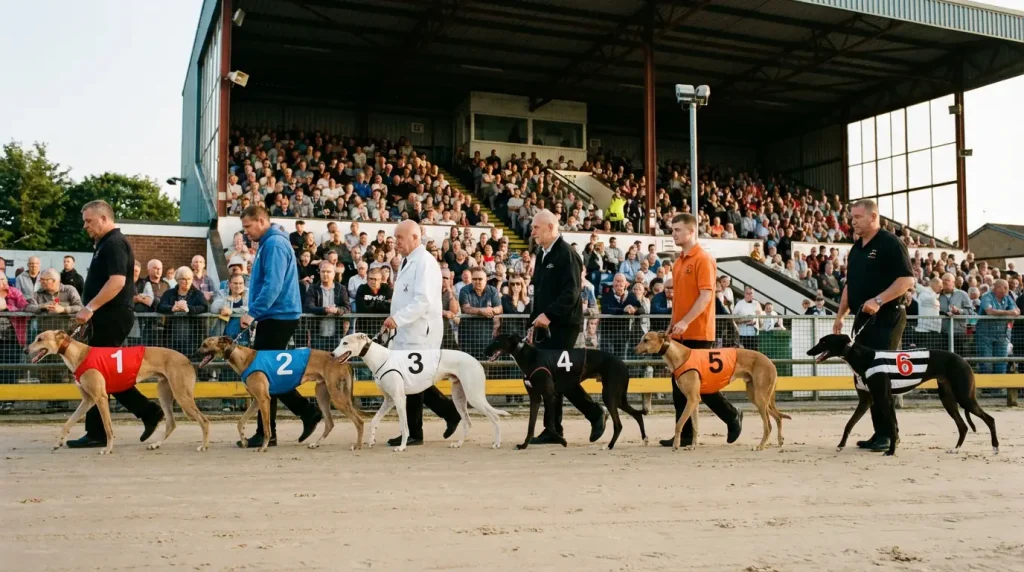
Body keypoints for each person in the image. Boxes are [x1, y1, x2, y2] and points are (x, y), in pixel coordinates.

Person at [67, 200, 164, 448]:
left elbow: (118, 282)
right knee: (103, 374)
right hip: (107, 315)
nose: (85, 225)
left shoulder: (114, 244)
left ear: (103, 218)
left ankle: (100, 432)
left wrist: (90, 307)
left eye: (89, 221)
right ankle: (146, 413)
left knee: (96, 372)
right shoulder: (105, 244)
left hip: (112, 315)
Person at [832, 199, 915, 453]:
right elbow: (850, 286)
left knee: (880, 376)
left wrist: (879, 300)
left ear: (873, 216)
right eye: (852, 217)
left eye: (857, 216)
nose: (852, 221)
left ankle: (890, 435)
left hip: (888, 316)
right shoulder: (856, 249)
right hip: (862, 319)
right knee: (867, 377)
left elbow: (906, 280)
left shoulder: (890, 243)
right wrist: (840, 315)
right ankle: (880, 432)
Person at [237, 205, 322, 448]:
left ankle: (269, 432)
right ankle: (303, 414)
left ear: (261, 220)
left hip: (278, 315)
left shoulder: (273, 245)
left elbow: (272, 286)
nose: (246, 233)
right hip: (277, 315)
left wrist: (253, 312)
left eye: (248, 227)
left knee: (263, 374)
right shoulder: (270, 243)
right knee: (267, 374)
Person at [660, 213, 743, 448]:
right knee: (679, 387)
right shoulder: (679, 262)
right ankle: (683, 435)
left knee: (700, 386)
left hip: (698, 331)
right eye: (672, 230)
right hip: (679, 333)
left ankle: (731, 415)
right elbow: (678, 300)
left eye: (677, 230)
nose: (673, 234)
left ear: (690, 231)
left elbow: (707, 295)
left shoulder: (703, 259)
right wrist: (673, 325)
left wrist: (686, 321)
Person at [528, 209, 606, 445]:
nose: (532, 233)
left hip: (564, 325)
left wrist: (548, 315)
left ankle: (591, 414)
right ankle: (555, 428)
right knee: (553, 378)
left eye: (536, 228)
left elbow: (571, 293)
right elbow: (540, 293)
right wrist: (533, 321)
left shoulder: (567, 254)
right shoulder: (543, 254)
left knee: (559, 378)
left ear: (551, 228)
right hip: (546, 324)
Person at [381, 220, 462, 447]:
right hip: (407, 331)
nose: (396, 242)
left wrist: (397, 319)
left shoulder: (424, 262)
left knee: (412, 381)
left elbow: (423, 300)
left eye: (400, 238)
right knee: (416, 381)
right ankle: (449, 414)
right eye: (395, 237)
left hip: (420, 333)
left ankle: (415, 432)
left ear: (415, 238)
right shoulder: (408, 261)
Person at [975, 279, 1018, 374]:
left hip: (1002, 335)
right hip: (985, 335)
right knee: (986, 363)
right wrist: (1009, 313)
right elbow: (989, 311)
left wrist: (1012, 313)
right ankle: (986, 388)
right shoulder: (986, 297)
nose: (1007, 290)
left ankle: (999, 388)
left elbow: (1017, 310)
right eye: (1005, 287)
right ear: (997, 288)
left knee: (1001, 363)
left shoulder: (1007, 297)